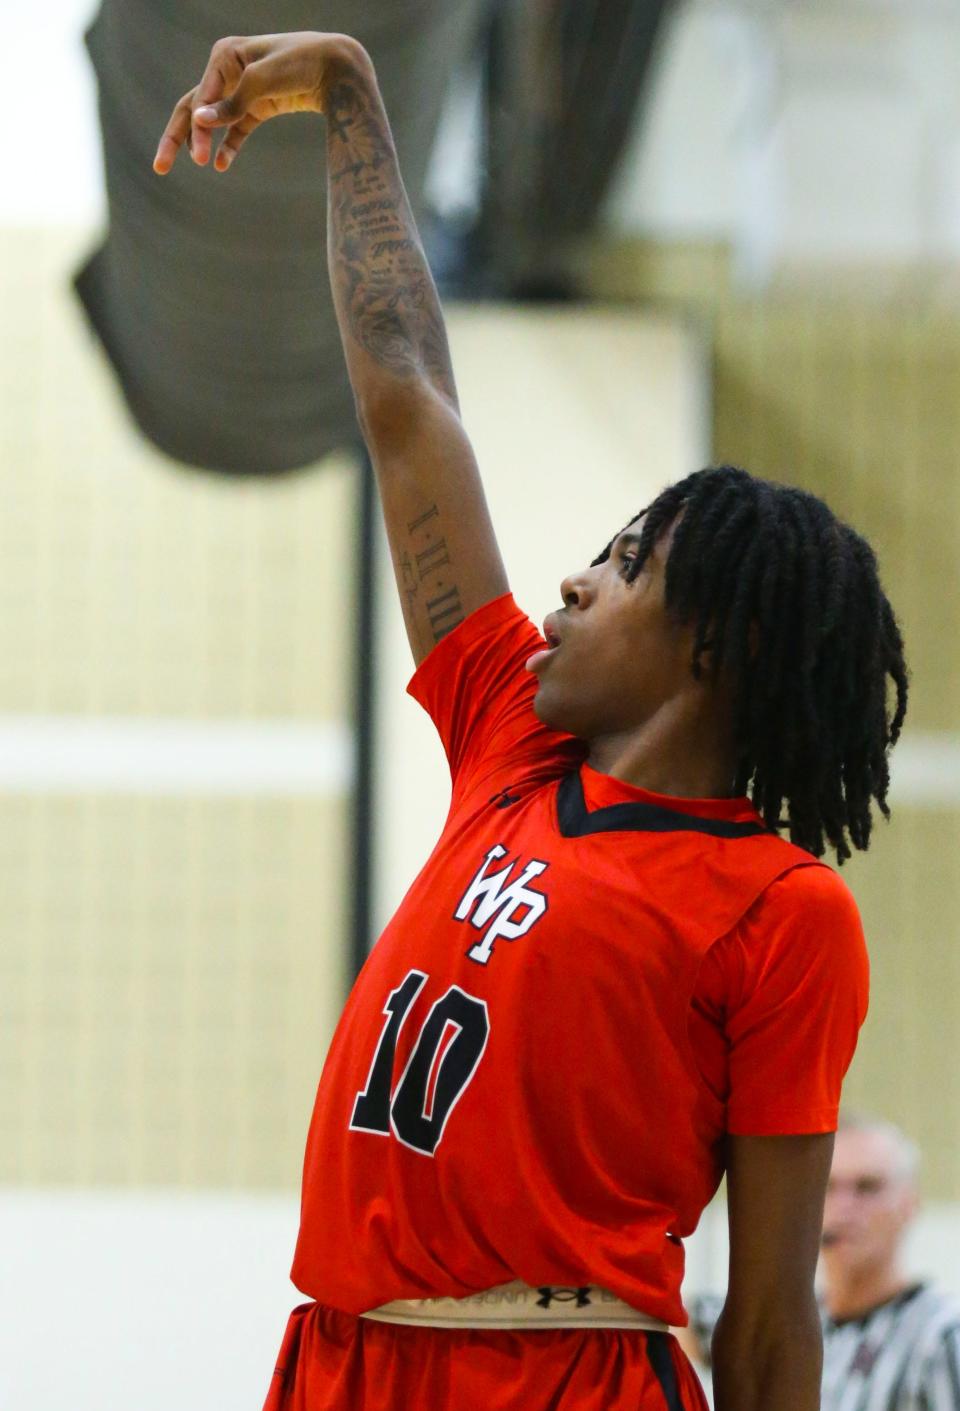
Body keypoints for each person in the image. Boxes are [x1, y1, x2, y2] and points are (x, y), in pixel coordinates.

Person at [154, 31, 908, 1411]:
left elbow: (769, 1310)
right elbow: (405, 397)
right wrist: (349, 97)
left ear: (716, 644)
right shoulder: (511, 731)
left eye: (624, 563)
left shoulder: (782, 910)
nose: (572, 574)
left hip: (567, 1368)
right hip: (341, 1349)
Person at [685, 1114, 960, 1409]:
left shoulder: (941, 1335)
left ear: (909, 1204)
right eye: (827, 1188)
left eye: (867, 1187)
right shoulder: (797, 1322)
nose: (843, 1208)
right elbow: (681, 1319)